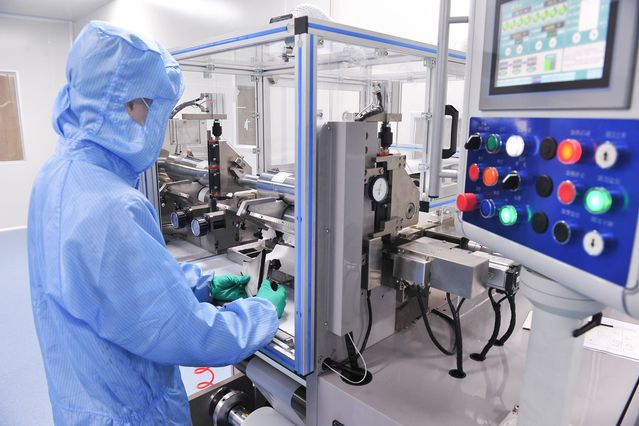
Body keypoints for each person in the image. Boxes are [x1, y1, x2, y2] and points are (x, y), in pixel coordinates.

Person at [27, 21, 284, 424]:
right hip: (128, 412)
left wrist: (198, 285)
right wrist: (261, 314)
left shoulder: (58, 174)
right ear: (126, 105)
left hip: (85, 395)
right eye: (152, 108)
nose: (156, 125)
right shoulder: (111, 206)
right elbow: (183, 333)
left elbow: (115, 291)